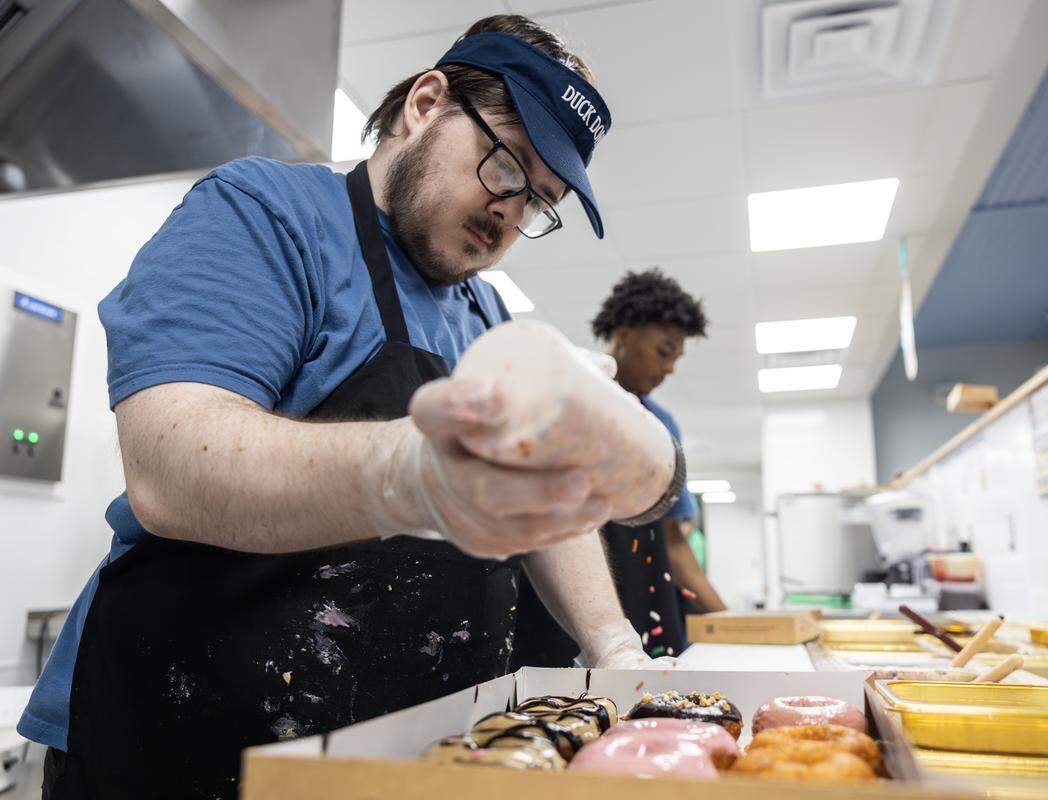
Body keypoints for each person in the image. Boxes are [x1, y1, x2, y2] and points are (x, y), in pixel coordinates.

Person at [20, 16, 682, 799]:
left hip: (399, 759)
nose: (509, 212)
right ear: (426, 104)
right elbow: (170, 466)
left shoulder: (489, 318)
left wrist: (612, 646)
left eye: (539, 200)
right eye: (505, 168)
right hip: (185, 743)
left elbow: (549, 512)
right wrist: (409, 476)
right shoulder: (263, 215)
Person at [512, 269, 726, 668]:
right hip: (565, 602)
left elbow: (675, 542)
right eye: (664, 351)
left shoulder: (663, 428)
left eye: (677, 358)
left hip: (646, 596)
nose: (670, 369)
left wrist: (731, 624)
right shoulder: (570, 396)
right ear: (624, 333)